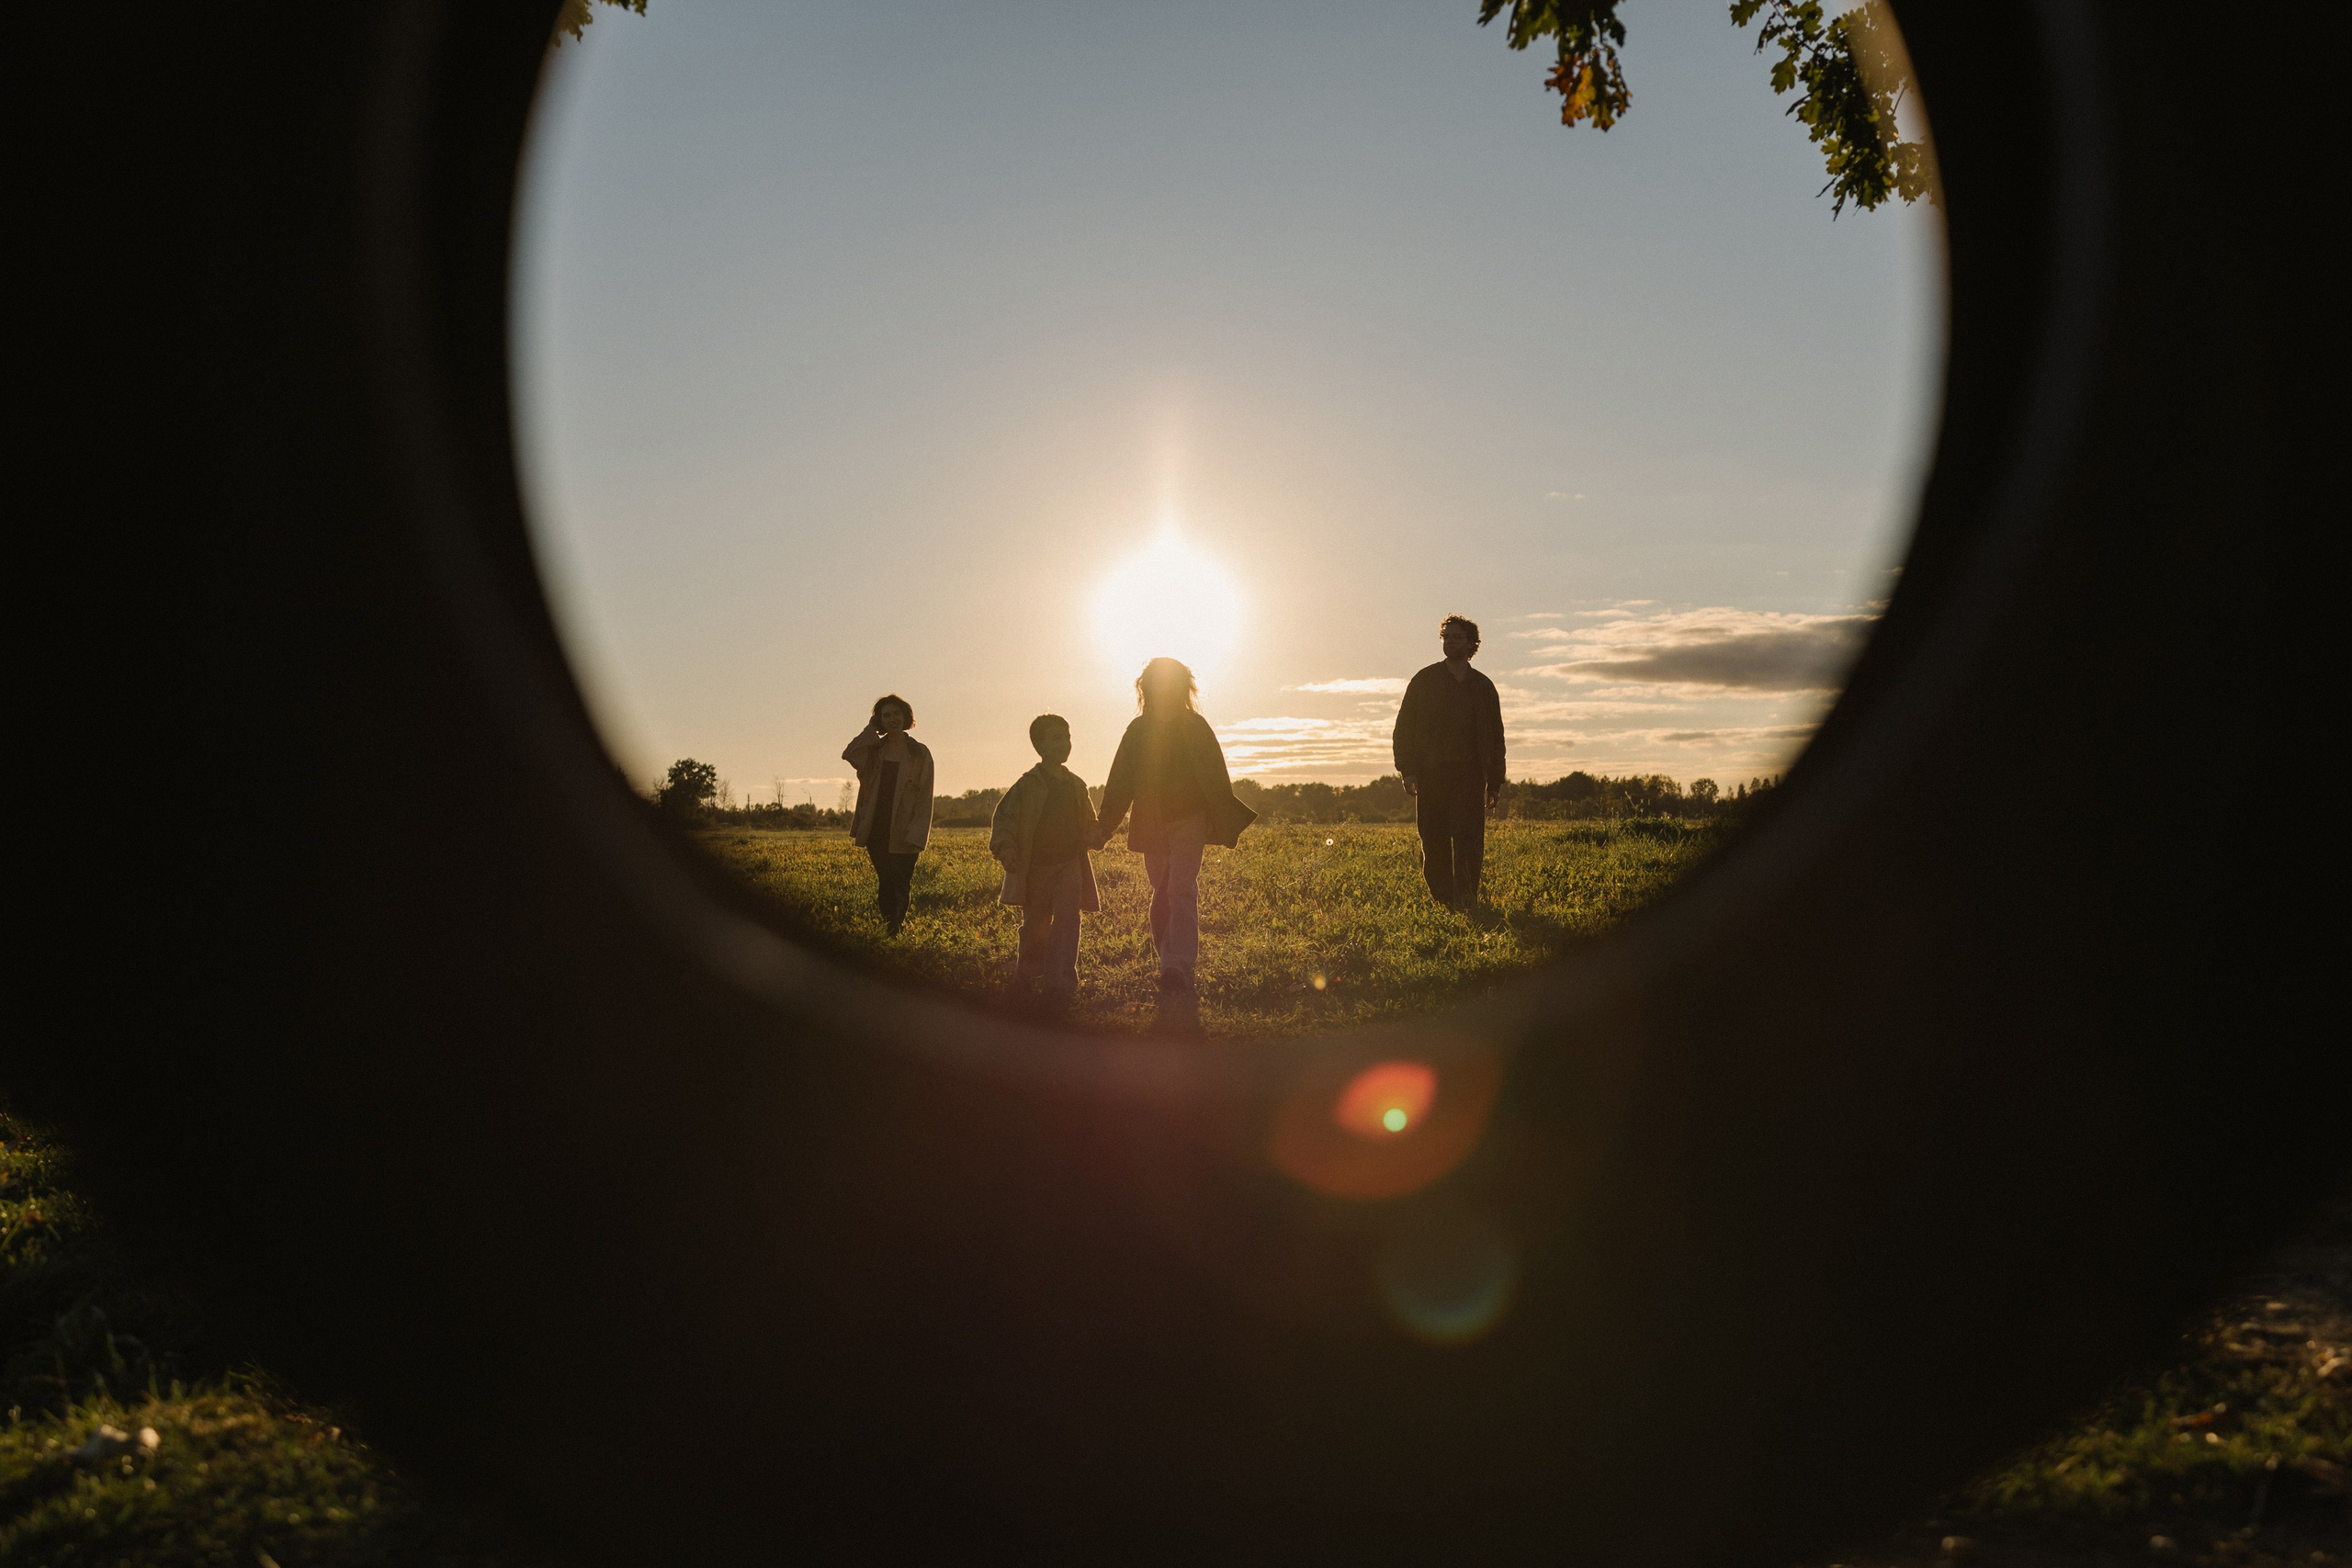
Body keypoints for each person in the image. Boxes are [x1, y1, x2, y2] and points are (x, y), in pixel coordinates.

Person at [1091, 657, 1256, 994]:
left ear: (1183, 686)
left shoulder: (1196, 726)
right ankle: (1169, 959)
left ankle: (1177, 966)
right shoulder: (1137, 731)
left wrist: (1224, 819)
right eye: (1158, 682)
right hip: (1150, 821)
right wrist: (1104, 826)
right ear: (1148, 687)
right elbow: (1120, 783)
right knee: (1161, 893)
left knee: (1181, 888)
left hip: (1190, 820)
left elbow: (1217, 780)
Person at [1391, 614, 1505, 909]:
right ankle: (1443, 901)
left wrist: (1495, 782)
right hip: (1431, 775)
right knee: (1434, 840)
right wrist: (1408, 770)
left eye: (1457, 637)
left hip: (1470, 776)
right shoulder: (1424, 680)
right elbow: (1404, 727)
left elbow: (1495, 737)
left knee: (1469, 842)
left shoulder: (1483, 686)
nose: (1450, 642)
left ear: (1471, 644)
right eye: (1446, 637)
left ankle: (1466, 899)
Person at [989, 714, 1100, 1015]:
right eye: (1055, 738)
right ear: (1038, 745)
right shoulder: (1026, 785)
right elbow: (1005, 819)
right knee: (1036, 924)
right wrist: (1006, 849)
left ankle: (1060, 982)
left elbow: (1089, 822)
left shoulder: (1077, 785)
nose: (1064, 743)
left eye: (1067, 737)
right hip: (1036, 868)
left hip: (1069, 865)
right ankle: (1027, 973)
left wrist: (1097, 833)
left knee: (1068, 922)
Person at [842, 694, 933, 936]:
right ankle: (889, 927)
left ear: (906, 717)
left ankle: (896, 927)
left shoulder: (919, 752)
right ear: (880, 720)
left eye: (896, 714)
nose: (892, 719)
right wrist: (871, 729)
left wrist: (916, 833)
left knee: (901, 882)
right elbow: (850, 753)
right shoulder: (874, 750)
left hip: (905, 829)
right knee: (886, 880)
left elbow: (925, 796)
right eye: (886, 715)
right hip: (876, 827)